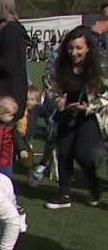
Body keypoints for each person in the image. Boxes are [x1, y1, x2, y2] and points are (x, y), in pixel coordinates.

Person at [45, 26, 108, 209]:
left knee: (84, 153)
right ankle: (64, 194)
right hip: (65, 114)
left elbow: (105, 95)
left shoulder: (100, 67)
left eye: (79, 48)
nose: (74, 52)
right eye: (71, 48)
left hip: (88, 116)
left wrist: (88, 107)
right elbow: (50, 88)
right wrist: (58, 101)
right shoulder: (59, 66)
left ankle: (93, 187)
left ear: (88, 47)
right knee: (64, 153)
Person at [0, 96, 23, 177]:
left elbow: (17, 138)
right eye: (10, 115)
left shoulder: (11, 127)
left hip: (6, 160)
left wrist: (22, 149)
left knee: (5, 178)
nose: (12, 117)